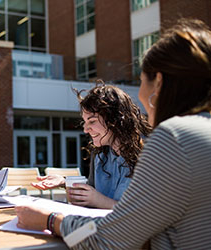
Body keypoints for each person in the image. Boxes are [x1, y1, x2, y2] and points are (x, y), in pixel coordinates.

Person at [15, 19, 211, 249]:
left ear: (158, 82)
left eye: (140, 81)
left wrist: (48, 219)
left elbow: (108, 240)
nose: (139, 93)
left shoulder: (173, 139)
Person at [32, 84, 151, 209]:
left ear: (114, 119)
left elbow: (147, 212)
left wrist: (99, 201)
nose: (85, 129)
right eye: (85, 122)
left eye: (92, 121)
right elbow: (92, 190)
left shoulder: (148, 155)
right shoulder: (99, 155)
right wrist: (64, 181)